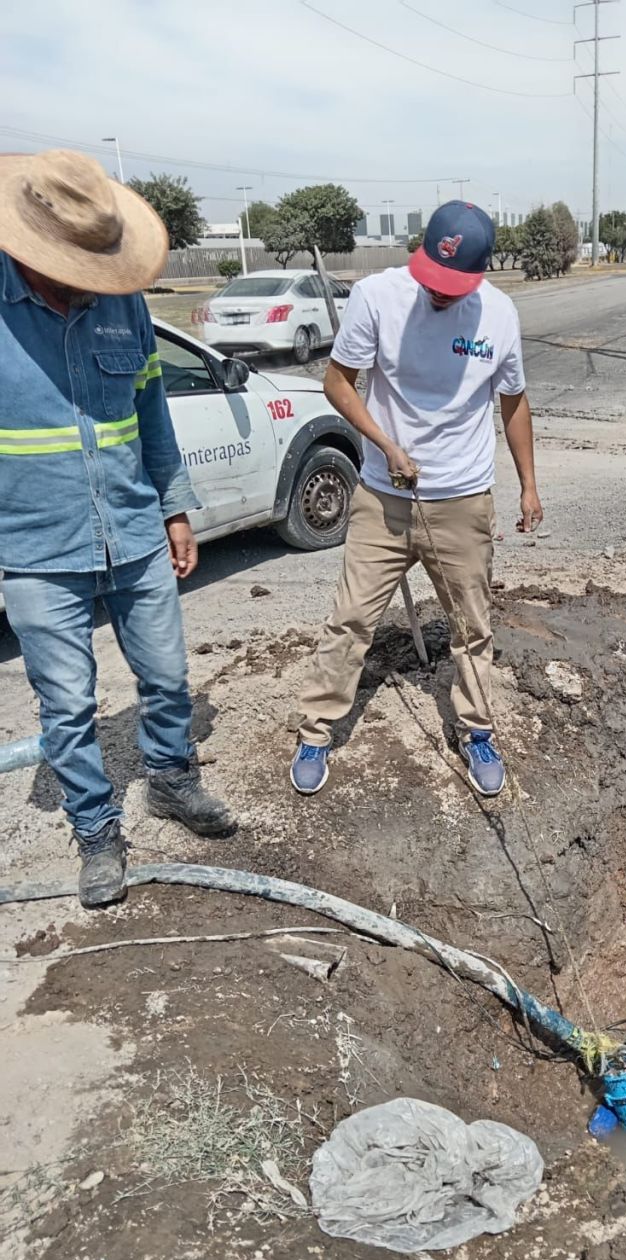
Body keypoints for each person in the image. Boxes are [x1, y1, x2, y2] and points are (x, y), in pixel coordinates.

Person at [0, 149, 235, 909]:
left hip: (131, 526)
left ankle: (171, 780)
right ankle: (97, 833)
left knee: (167, 675)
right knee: (67, 706)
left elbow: (150, 412)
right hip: (35, 545)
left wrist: (173, 504)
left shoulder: (123, 305)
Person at [291, 201, 542, 799]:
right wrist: (384, 444)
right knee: (351, 619)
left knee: (471, 625)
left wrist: (529, 484)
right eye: (432, 278)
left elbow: (513, 404)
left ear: (482, 275)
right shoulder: (378, 297)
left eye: (453, 288)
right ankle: (316, 732)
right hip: (385, 495)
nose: (438, 294)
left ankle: (477, 730)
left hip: (463, 500)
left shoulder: (500, 317)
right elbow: (337, 382)